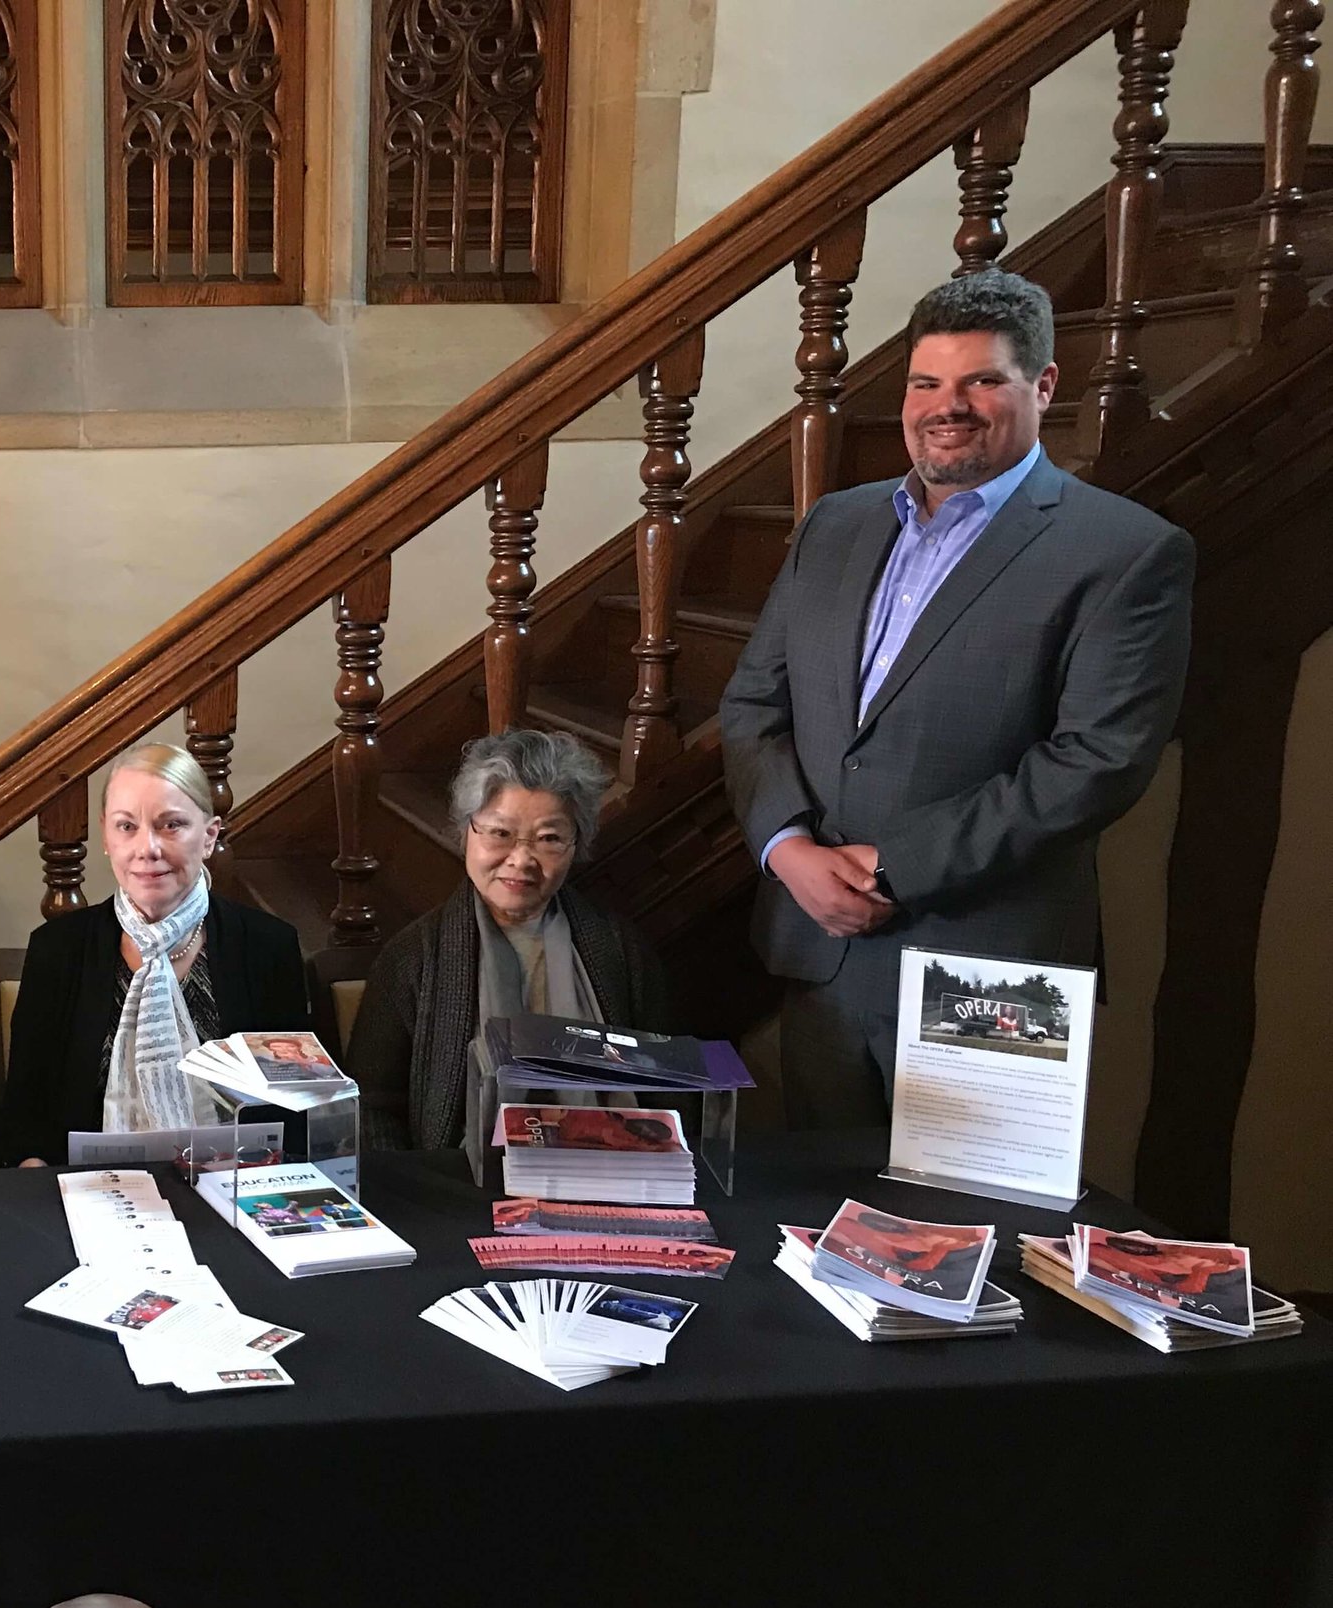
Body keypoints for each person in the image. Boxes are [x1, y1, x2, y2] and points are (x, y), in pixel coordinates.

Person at [720, 271, 1194, 1127]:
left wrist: (892, 866)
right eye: (926, 382)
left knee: (971, 1239)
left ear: (1043, 386)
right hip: (821, 953)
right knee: (823, 1226)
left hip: (992, 968)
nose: (949, 405)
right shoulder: (834, 524)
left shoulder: (1126, 552)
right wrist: (789, 851)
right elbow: (754, 704)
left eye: (982, 380)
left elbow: (1097, 762)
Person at [346, 729, 673, 1151]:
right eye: (500, 833)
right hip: (460, 1186)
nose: (521, 859)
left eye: (549, 839)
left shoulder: (619, 949)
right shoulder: (413, 958)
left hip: (609, 1170)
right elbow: (369, 1108)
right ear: (466, 832)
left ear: (576, 845)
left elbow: (670, 1086)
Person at [0, 744, 308, 1166]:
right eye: (127, 827)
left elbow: (297, 1111)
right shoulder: (57, 950)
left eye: (171, 825)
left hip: (231, 1194)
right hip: (84, 1197)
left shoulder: (269, 946)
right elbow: (23, 1120)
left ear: (210, 835)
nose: (147, 849)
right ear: (106, 835)